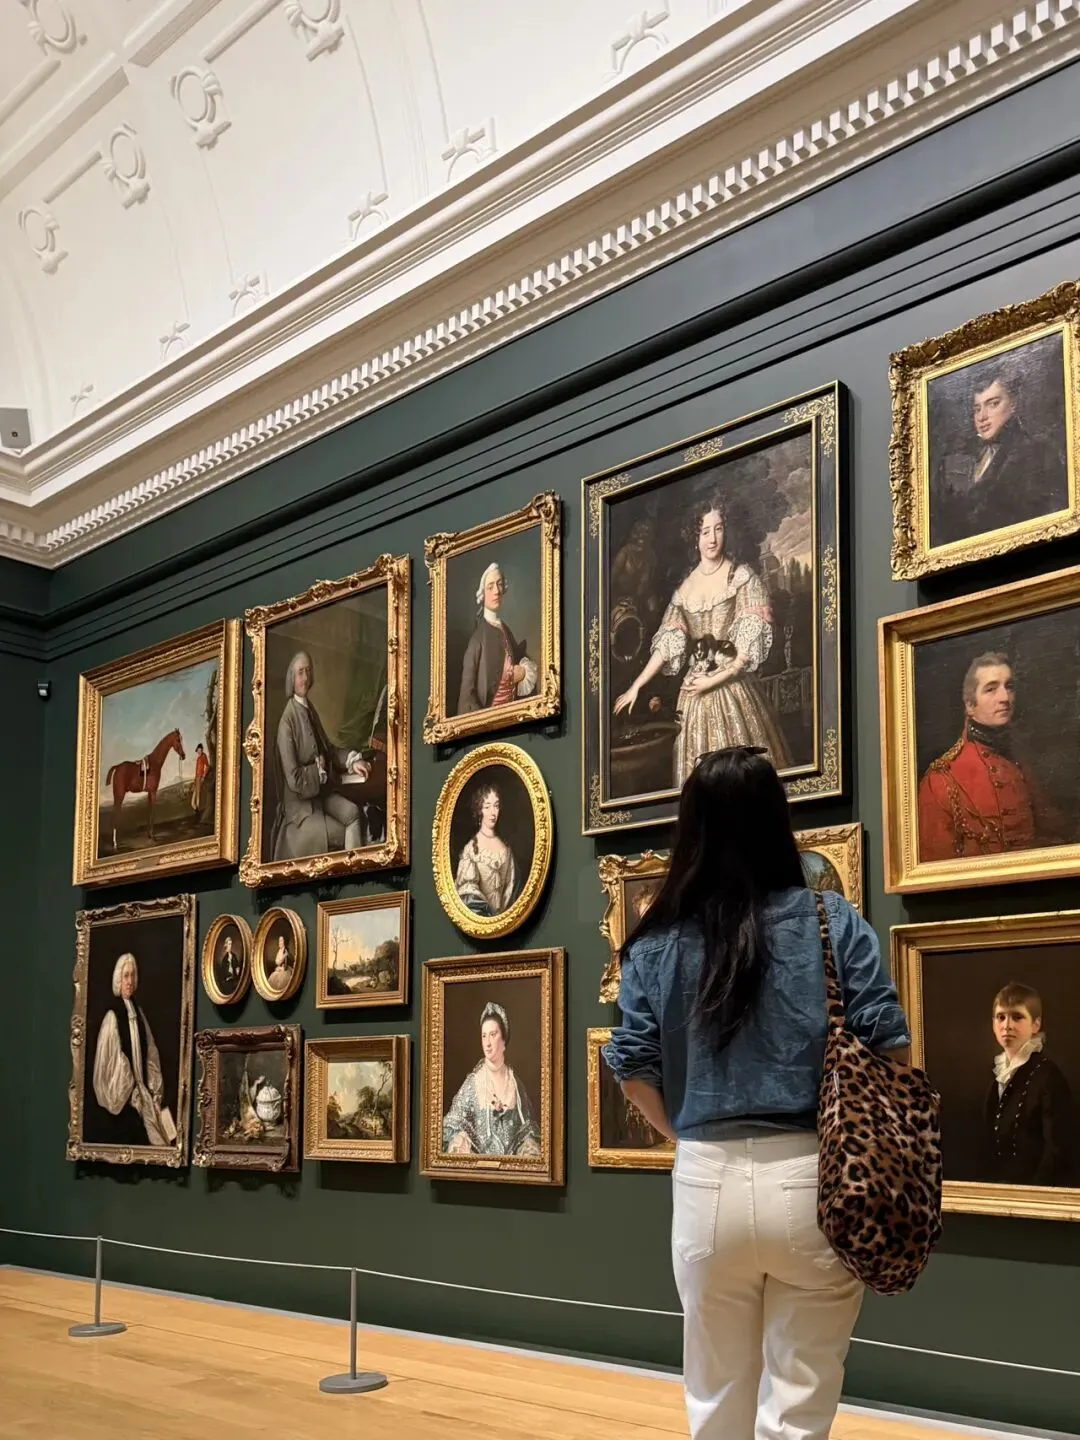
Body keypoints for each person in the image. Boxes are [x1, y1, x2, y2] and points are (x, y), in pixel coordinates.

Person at [604, 747, 911, 1440]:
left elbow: (632, 1066)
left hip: (705, 1179)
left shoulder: (657, 943)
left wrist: (687, 1136)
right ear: (778, 819)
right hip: (816, 1177)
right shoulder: (832, 922)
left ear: (692, 827)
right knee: (799, 1407)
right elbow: (891, 1047)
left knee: (714, 1401)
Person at [613, 494, 791, 788]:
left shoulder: (740, 578)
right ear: (694, 538)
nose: (713, 538)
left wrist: (712, 680)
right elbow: (667, 644)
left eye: (718, 529)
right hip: (693, 697)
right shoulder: (685, 590)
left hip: (731, 687)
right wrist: (637, 685)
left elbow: (744, 651)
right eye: (705, 531)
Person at [917, 653, 1055, 861]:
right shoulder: (941, 780)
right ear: (970, 705)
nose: (1005, 698)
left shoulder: (1023, 766)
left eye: (1009, 687)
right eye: (991, 689)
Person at [932, 365, 1068, 547]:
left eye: (993, 404)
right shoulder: (958, 457)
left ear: (1013, 404)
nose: (982, 417)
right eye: (977, 408)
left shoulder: (1038, 453)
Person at [271, 650, 373, 860]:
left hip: (320, 796)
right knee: (342, 832)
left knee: (353, 813)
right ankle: (351, 873)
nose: (305, 678)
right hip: (301, 809)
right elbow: (294, 779)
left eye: (308, 671)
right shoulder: (287, 721)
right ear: (291, 678)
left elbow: (329, 750)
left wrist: (352, 761)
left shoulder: (309, 710)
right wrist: (318, 771)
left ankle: (353, 869)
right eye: (300, 672)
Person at [983, 982, 1075, 1187]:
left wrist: (1032, 1192)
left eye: (1017, 1017)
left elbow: (1058, 1149)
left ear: (1036, 1025)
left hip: (1033, 1192)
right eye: (1000, 1017)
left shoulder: (1048, 1076)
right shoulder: (996, 1073)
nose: (1007, 1025)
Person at [92, 954, 174, 1148]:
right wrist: (129, 1087)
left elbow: (151, 1054)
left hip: (144, 1093)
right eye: (125, 976)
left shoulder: (139, 1013)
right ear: (118, 979)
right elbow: (107, 1065)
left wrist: (154, 1092)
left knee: (163, 1141)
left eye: (132, 975)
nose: (129, 981)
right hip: (125, 1100)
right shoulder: (112, 1017)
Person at [443, 1002, 540, 1156]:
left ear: (504, 1040)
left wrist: (528, 1148)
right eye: (484, 1036)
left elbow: (527, 1130)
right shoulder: (474, 1083)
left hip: (511, 1168)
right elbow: (452, 1125)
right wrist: (460, 1141)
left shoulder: (515, 1085)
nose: (487, 1043)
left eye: (493, 1035)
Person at [457, 562, 538, 713]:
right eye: (490, 587)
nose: (496, 591)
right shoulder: (477, 640)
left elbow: (518, 659)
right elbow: (467, 694)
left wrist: (522, 672)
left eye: (499, 585)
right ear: (482, 594)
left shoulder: (504, 629)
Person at [454, 784, 517, 916]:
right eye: (487, 807)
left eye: (496, 806)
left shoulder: (506, 848)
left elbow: (510, 887)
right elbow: (467, 893)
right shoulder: (471, 849)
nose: (493, 813)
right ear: (479, 810)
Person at [190, 742, 210, 812]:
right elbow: (197, 771)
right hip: (197, 778)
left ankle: (198, 813)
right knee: (192, 802)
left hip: (200, 777)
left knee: (198, 796)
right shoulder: (198, 758)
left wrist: (203, 776)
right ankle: (197, 811)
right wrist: (195, 780)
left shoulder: (204, 756)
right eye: (198, 750)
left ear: (202, 750)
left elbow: (207, 766)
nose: (199, 751)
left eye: (200, 750)